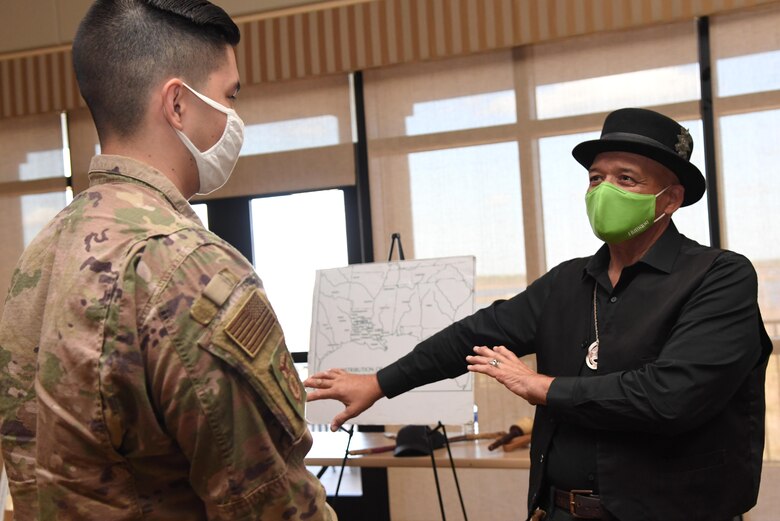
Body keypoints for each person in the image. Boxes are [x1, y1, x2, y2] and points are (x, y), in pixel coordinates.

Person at [305, 108, 772, 521]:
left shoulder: (718, 276)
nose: (604, 190)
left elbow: (672, 396)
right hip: (560, 510)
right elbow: (474, 334)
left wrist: (544, 388)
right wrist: (379, 383)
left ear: (669, 200)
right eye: (596, 178)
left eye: (626, 179)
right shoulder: (568, 282)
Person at [0, 1, 333, 519]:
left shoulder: (42, 253)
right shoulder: (190, 267)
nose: (234, 117)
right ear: (177, 104)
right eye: (229, 96)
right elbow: (270, 503)